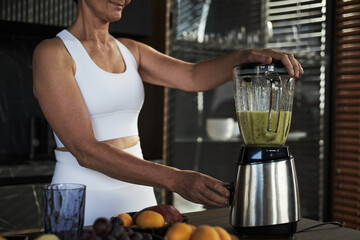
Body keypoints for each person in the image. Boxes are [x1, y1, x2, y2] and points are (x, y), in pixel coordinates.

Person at [32, 0, 303, 226]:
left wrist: (245, 56)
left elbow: (193, 76)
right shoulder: (54, 53)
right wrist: (176, 179)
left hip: (141, 199)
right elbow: (85, 150)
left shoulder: (131, 51)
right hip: (84, 201)